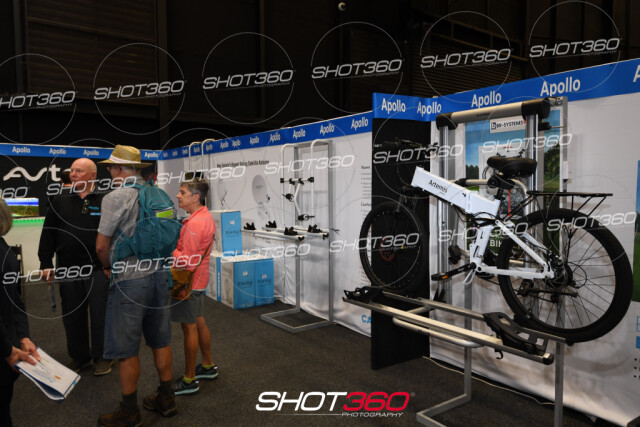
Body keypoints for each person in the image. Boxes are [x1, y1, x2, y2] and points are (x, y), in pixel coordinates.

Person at [95, 145, 176, 426]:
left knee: (126, 348)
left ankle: (129, 412)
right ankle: (167, 399)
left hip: (129, 280)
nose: (110, 171)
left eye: (110, 167)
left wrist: (106, 266)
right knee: (161, 341)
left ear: (118, 169)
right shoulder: (158, 193)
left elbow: (102, 244)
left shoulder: (115, 197)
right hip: (159, 276)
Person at [37, 158, 111, 375]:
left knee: (100, 315)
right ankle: (80, 357)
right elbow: (48, 233)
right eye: (72, 171)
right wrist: (45, 262)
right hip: (68, 269)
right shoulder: (59, 200)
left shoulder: (105, 199)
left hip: (98, 269)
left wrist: (111, 264)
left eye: (79, 171)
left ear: (92, 175)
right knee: (72, 315)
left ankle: (103, 357)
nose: (73, 174)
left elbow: (114, 235)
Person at [171, 178, 217, 395]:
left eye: (182, 192)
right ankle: (207, 366)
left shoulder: (195, 224)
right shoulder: (204, 216)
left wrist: (171, 251)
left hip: (189, 282)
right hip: (198, 280)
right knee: (198, 321)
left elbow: (187, 262)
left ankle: (189, 379)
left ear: (196, 197)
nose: (178, 196)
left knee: (188, 327)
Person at [1, 198, 40, 426]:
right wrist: (10, 349)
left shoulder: (4, 251)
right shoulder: (5, 251)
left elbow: (13, 300)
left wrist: (21, 338)